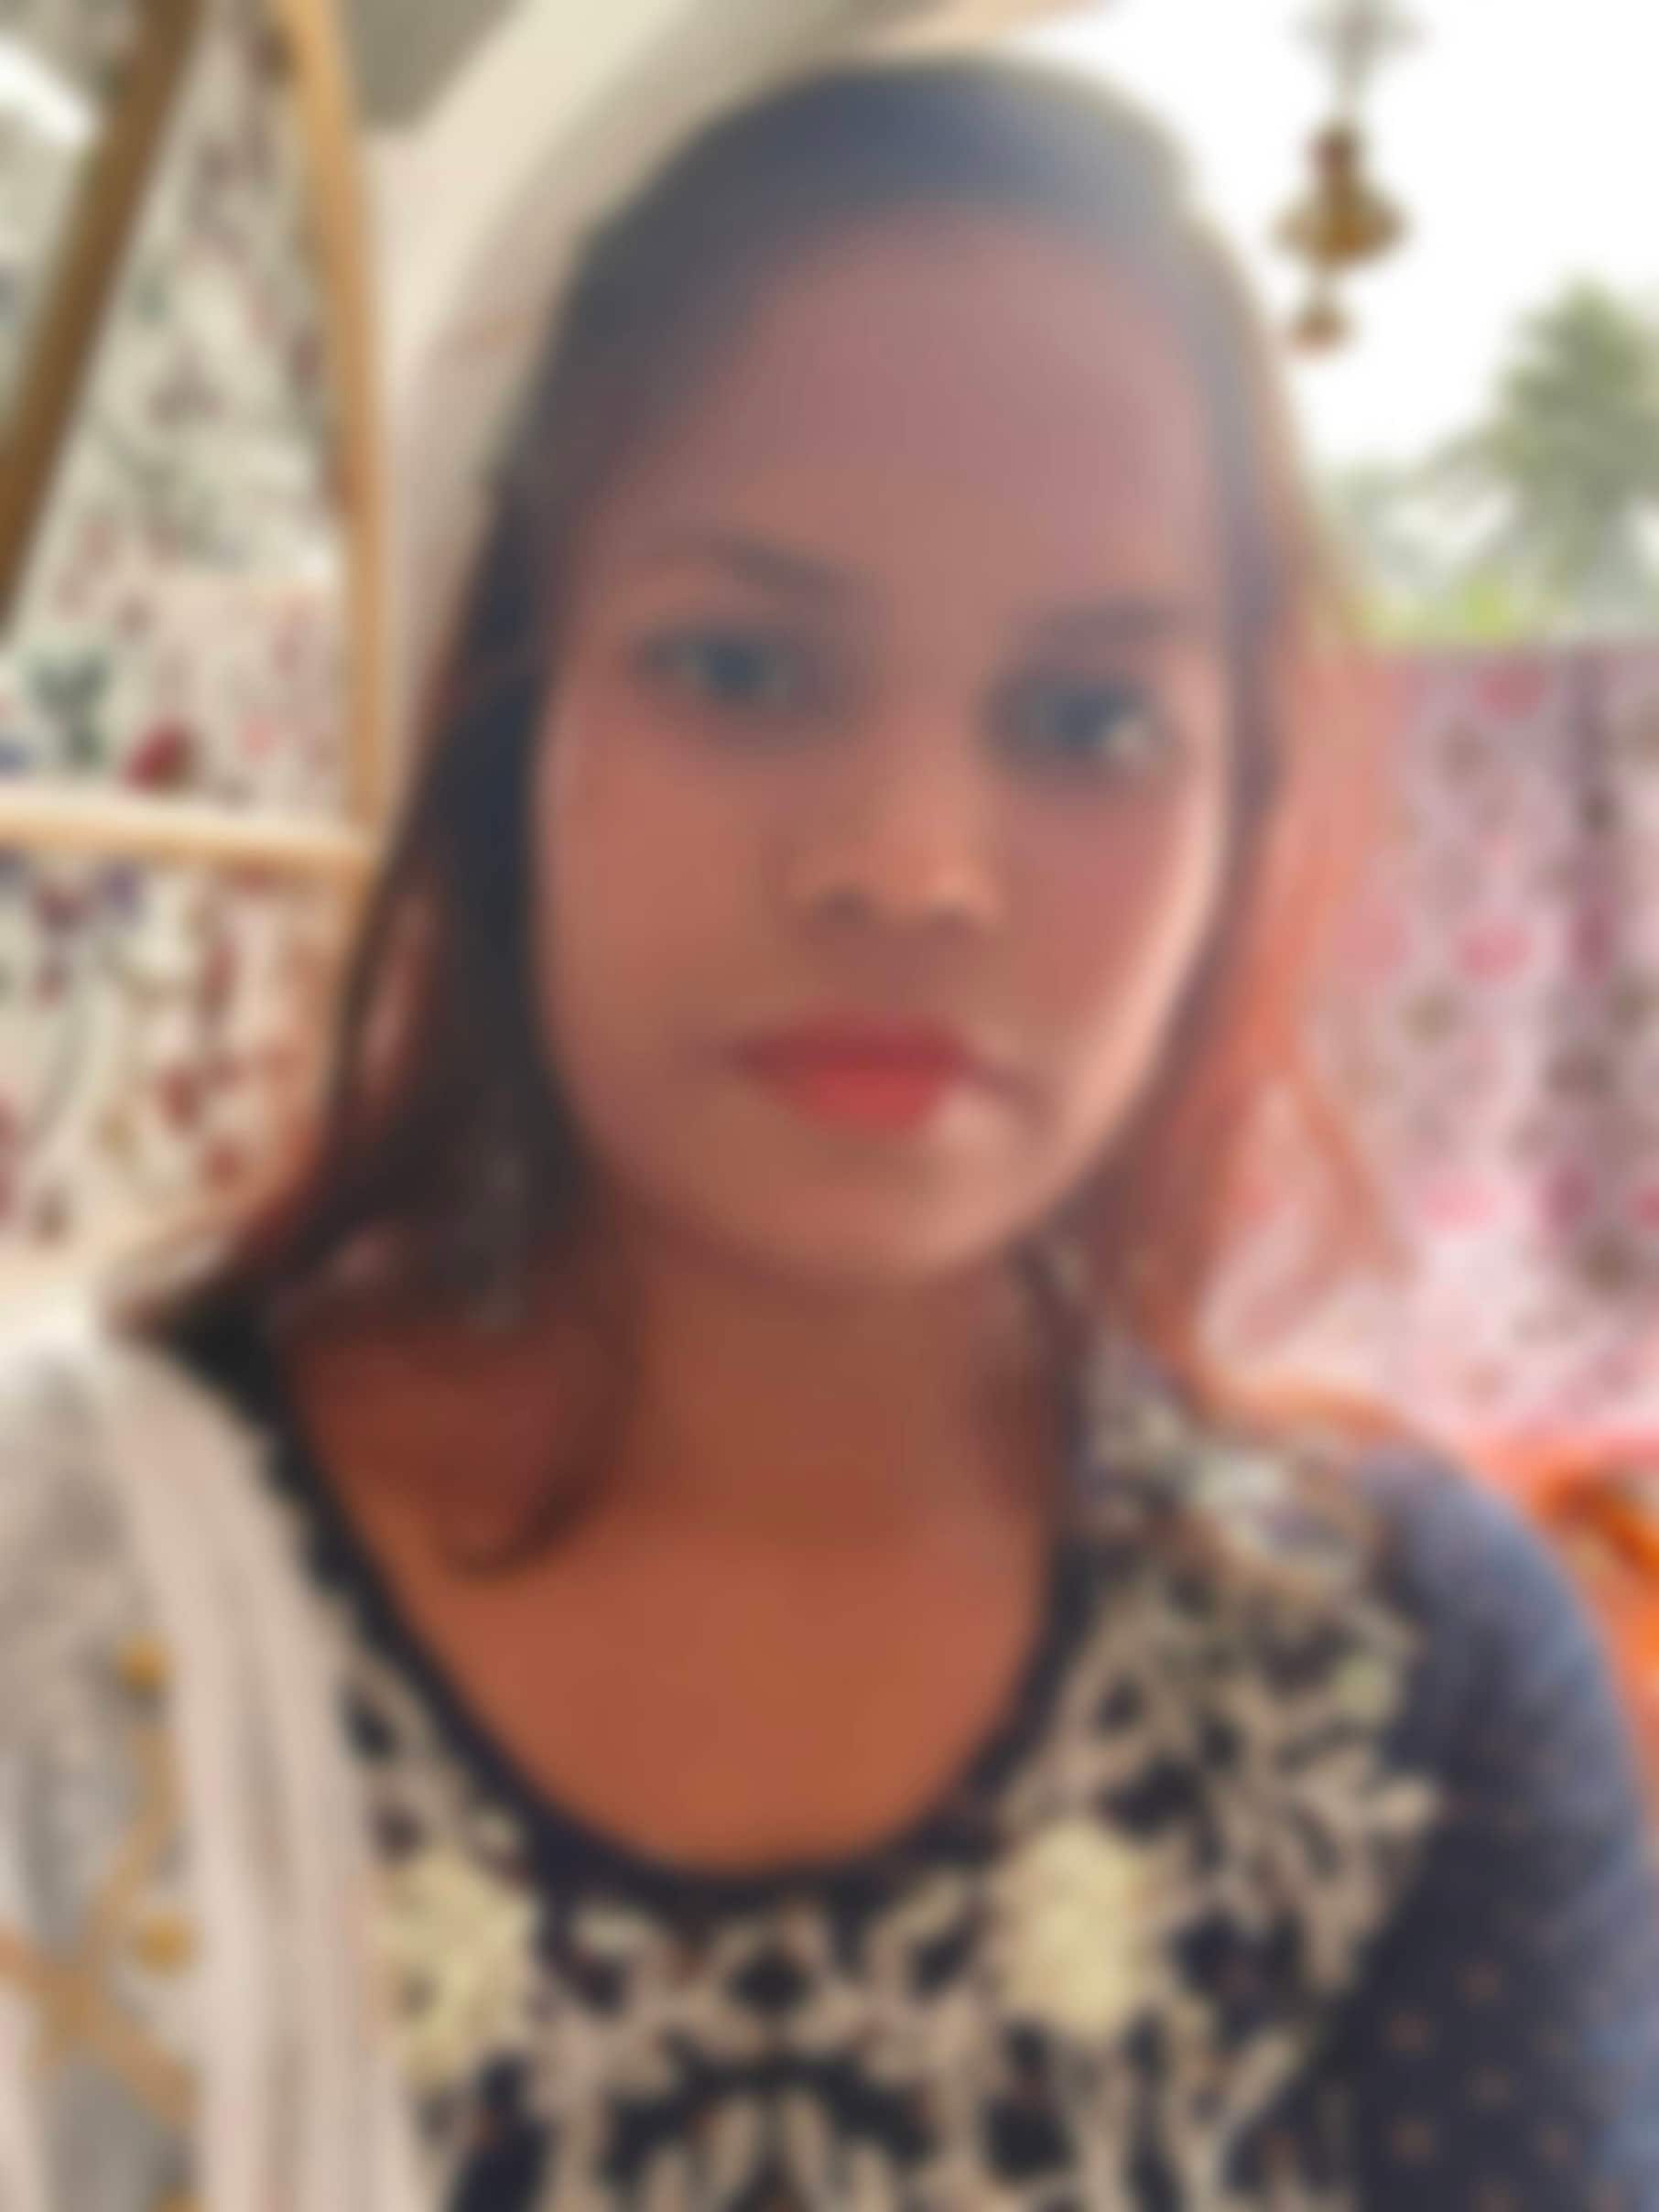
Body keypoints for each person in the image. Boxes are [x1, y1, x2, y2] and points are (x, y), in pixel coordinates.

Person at [0, 60, 1655, 2212]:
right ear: (517, 726)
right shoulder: (76, 1591)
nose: (907, 863)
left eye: (1087, 718)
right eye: (741, 667)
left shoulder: (1400, 1684)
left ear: (1237, 822)